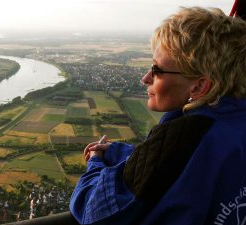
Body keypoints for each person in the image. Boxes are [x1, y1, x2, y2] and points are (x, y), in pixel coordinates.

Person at [70, 7, 246, 225]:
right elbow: (186, 168)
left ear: (199, 86)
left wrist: (95, 163)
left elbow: (92, 212)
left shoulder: (184, 137)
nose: (145, 78)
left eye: (158, 70)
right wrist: (120, 153)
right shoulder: (235, 122)